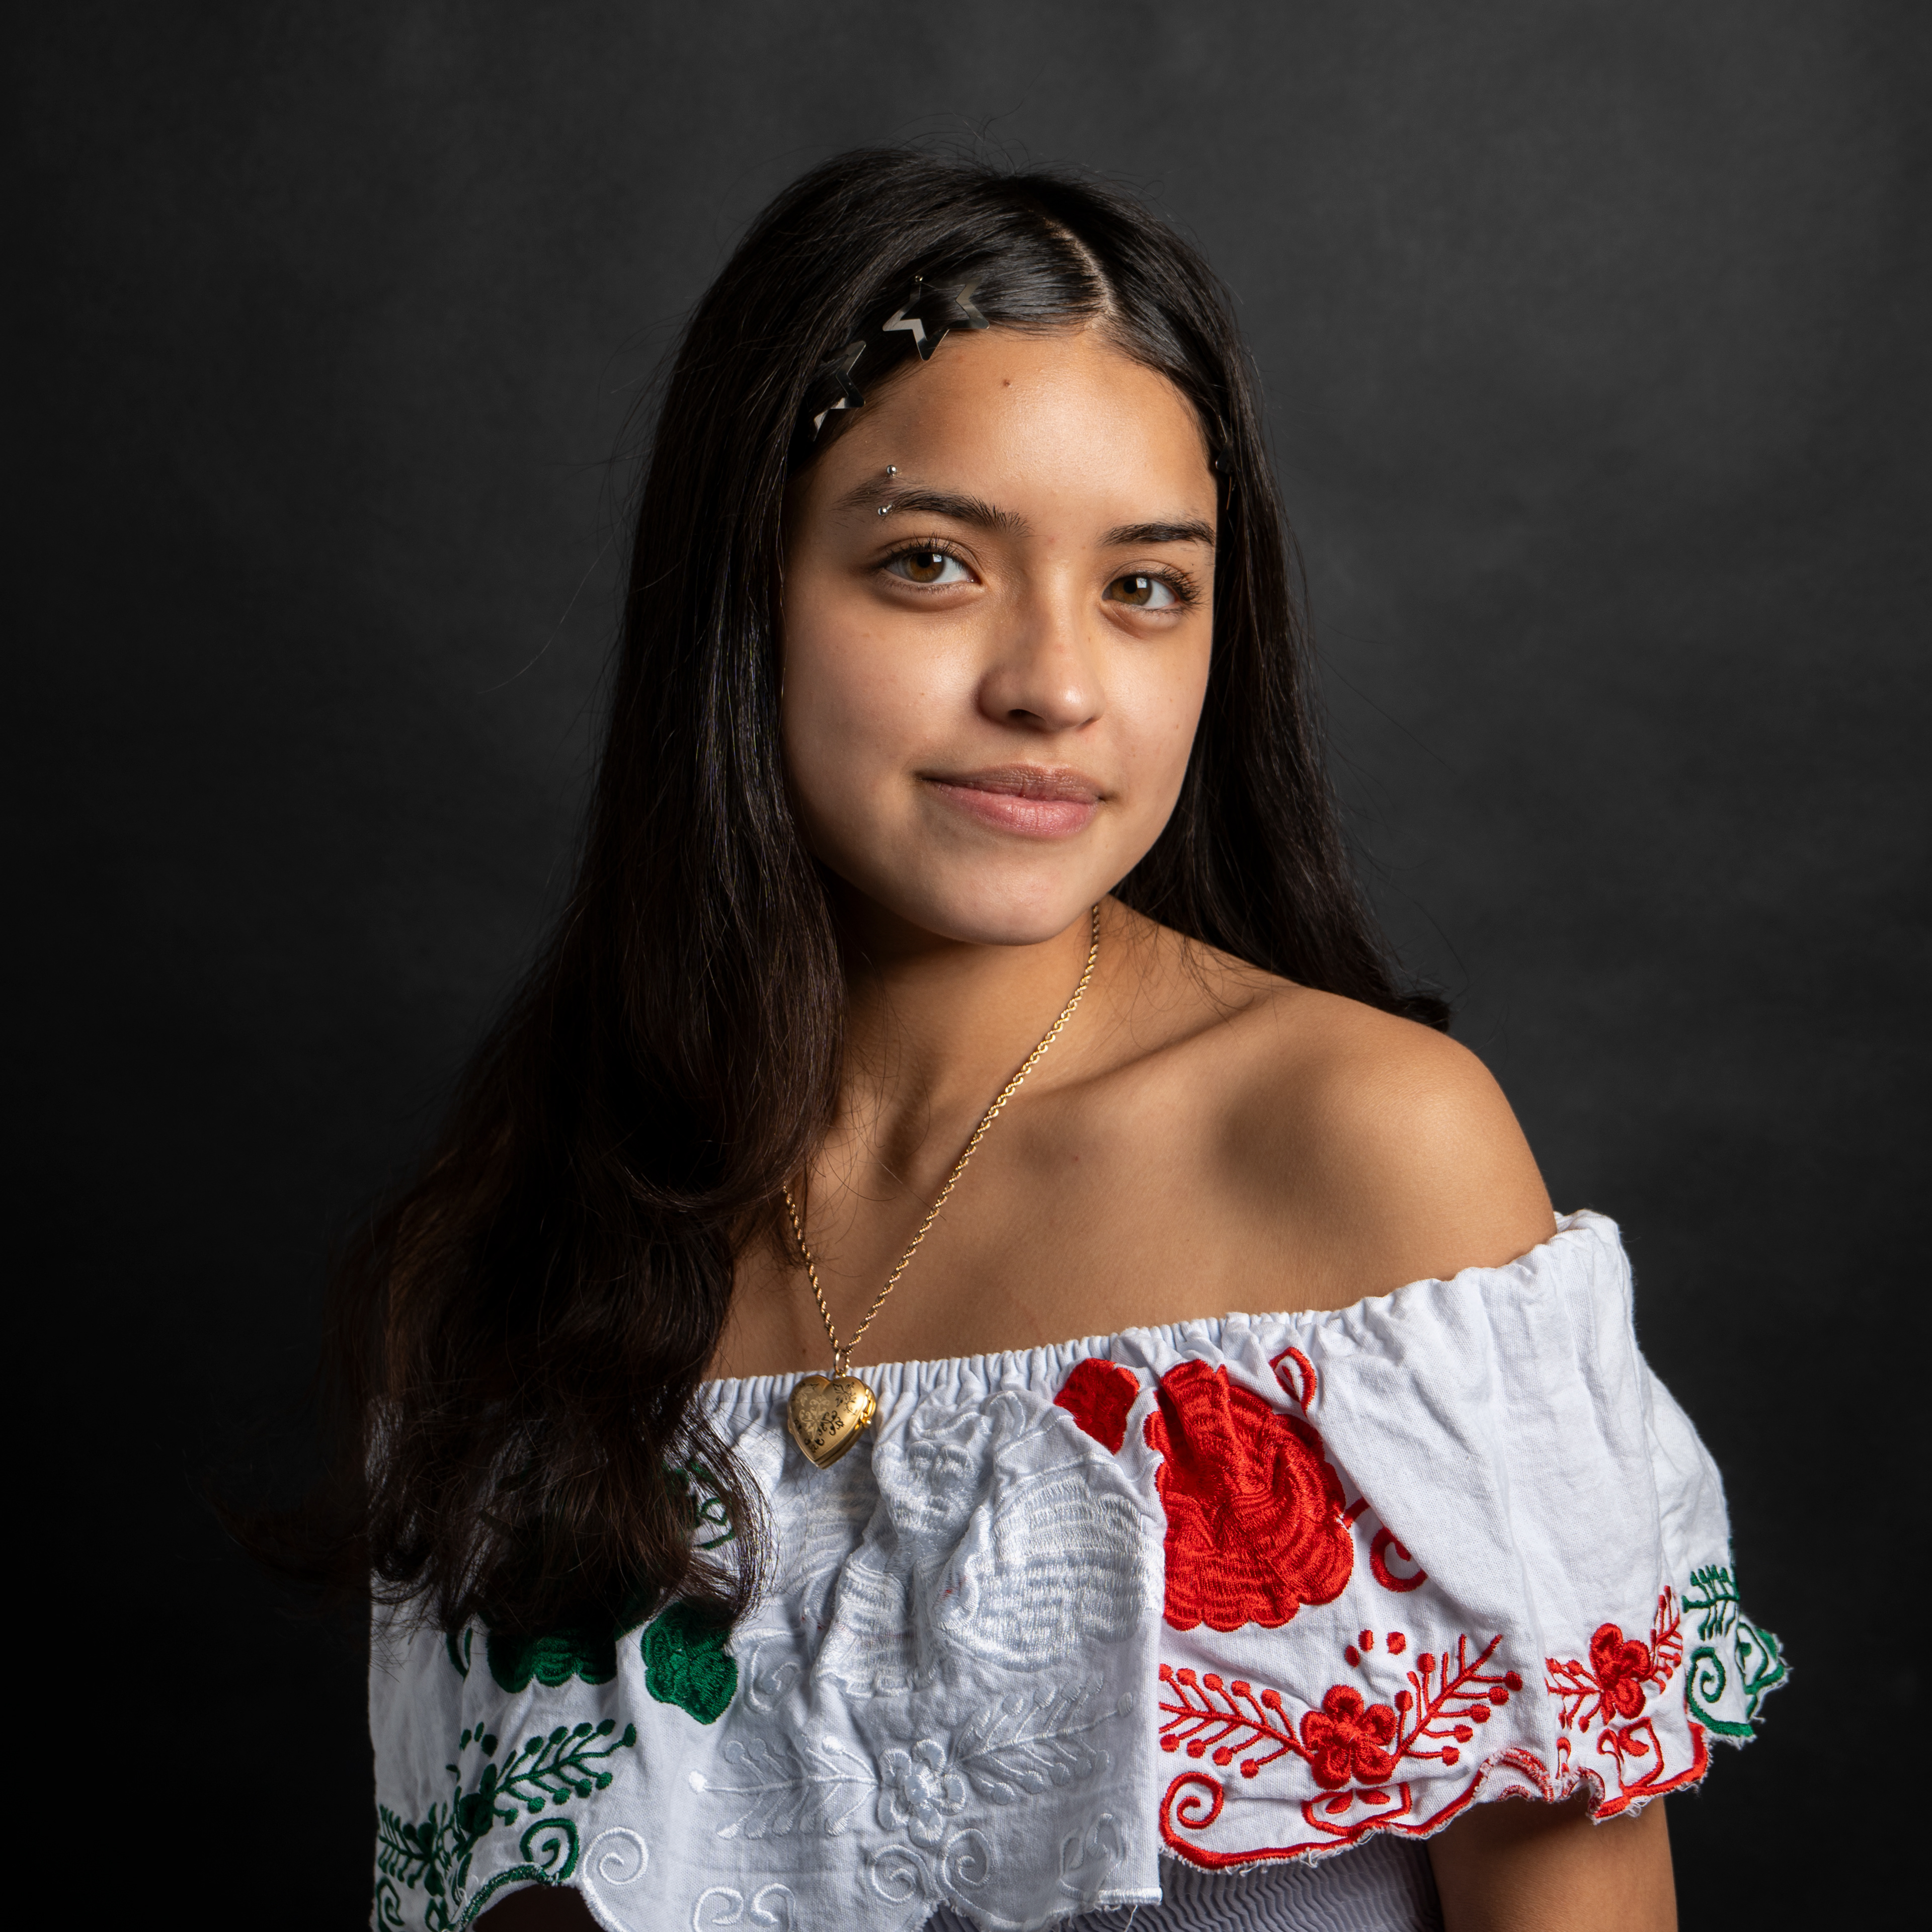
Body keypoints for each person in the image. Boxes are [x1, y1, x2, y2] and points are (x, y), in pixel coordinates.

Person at [353, 150, 1782, 1932]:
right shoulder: (504, 1249)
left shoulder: (1367, 1151)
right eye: (932, 563)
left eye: (1145, 587)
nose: (1055, 684)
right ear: (743, 590)